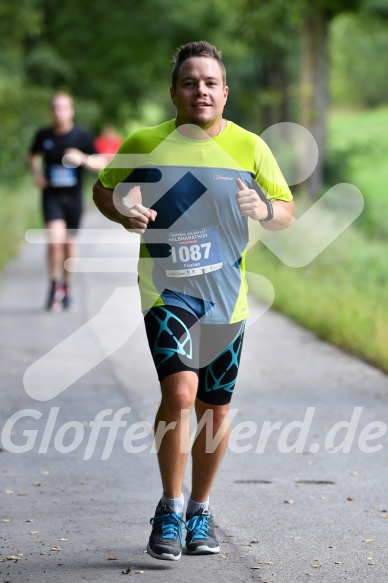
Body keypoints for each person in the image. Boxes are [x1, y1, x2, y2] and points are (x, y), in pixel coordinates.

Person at [93, 41, 294, 561]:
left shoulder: (251, 147)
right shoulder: (145, 141)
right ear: (174, 92)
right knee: (181, 394)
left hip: (227, 296)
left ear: (225, 92)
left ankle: (200, 510)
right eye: (190, 82)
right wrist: (123, 213)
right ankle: (170, 505)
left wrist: (265, 206)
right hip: (167, 289)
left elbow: (286, 211)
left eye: (210, 82)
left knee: (213, 407)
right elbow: (105, 189)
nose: (200, 90)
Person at [29, 92, 99, 311]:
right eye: (55, 108)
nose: (59, 112)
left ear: (71, 111)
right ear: (51, 111)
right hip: (51, 196)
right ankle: (53, 284)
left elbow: (100, 163)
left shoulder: (82, 136)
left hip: (74, 198)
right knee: (54, 240)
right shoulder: (43, 135)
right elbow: (32, 155)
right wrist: (37, 174)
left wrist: (83, 158)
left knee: (69, 245)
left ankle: (67, 287)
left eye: (63, 108)